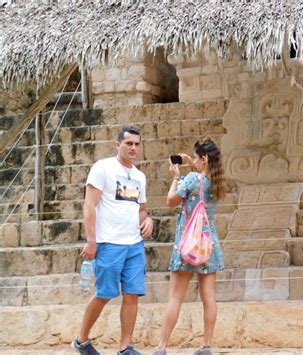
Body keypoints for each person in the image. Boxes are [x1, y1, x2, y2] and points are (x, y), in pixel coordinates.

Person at [72, 125, 154, 355]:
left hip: (134, 245)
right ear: (118, 145)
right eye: (129, 143)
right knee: (105, 293)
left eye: (137, 144)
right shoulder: (103, 168)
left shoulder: (140, 176)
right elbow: (89, 204)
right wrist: (91, 240)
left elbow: (141, 209)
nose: (133, 148)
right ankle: (81, 340)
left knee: (132, 294)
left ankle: (125, 347)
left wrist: (148, 221)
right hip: (108, 243)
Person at [154, 139, 225, 355]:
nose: (193, 160)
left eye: (196, 157)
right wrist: (189, 162)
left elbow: (171, 201)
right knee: (209, 297)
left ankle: (162, 346)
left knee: (175, 297)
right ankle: (206, 345)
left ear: (203, 159)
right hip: (208, 244)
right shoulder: (218, 182)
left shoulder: (191, 179)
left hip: (187, 242)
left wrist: (176, 178)